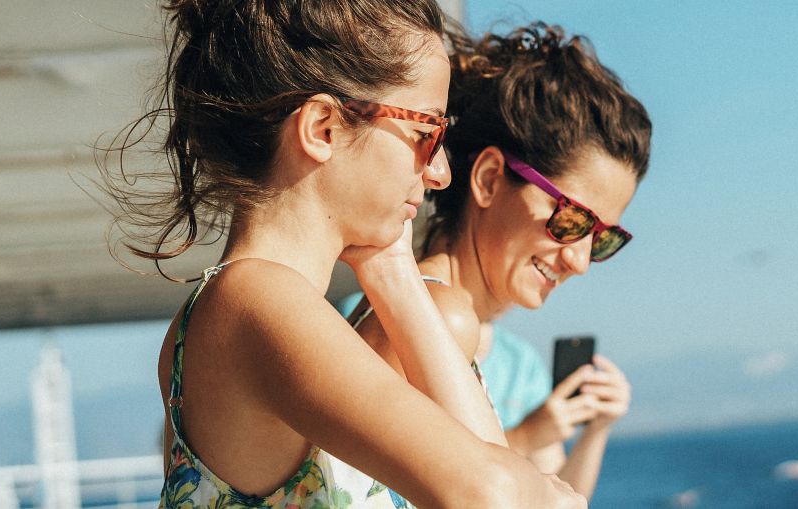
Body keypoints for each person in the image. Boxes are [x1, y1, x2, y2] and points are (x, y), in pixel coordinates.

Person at [101, 1, 583, 507]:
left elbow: (490, 473)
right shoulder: (255, 300)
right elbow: (492, 495)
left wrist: (394, 273)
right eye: (426, 134)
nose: (440, 171)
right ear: (322, 129)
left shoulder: (249, 305)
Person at [351, 22, 647, 499]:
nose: (580, 261)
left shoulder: (470, 333)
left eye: (602, 238)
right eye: (571, 220)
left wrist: (595, 430)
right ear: (488, 179)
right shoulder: (426, 318)